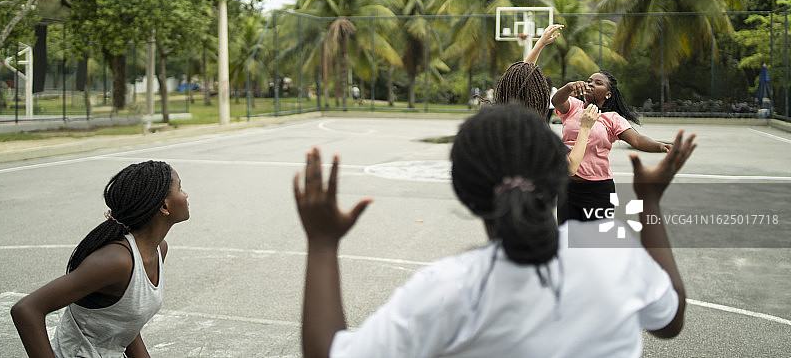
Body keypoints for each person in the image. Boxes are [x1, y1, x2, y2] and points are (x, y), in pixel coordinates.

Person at [294, 104, 696, 358]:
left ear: (466, 193)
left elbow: (328, 353)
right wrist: (651, 204)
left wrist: (323, 243)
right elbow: (670, 320)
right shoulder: (611, 253)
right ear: (560, 176)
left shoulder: (448, 287)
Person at [11, 161, 189, 357]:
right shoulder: (117, 261)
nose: (186, 194)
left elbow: (125, 321)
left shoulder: (158, 250)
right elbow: (26, 309)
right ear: (164, 206)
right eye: (180, 188)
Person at [552, 69, 670, 223]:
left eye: (598, 83)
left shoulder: (612, 118)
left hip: (598, 190)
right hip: (568, 187)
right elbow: (556, 101)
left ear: (608, 94)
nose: (591, 84)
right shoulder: (574, 107)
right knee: (569, 240)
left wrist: (661, 147)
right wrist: (569, 87)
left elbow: (637, 140)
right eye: (589, 81)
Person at [494, 24, 598, 176]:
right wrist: (585, 128)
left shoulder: (497, 124)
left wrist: (540, 44)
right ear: (543, 97)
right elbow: (569, 168)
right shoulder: (536, 133)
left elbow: (520, 80)